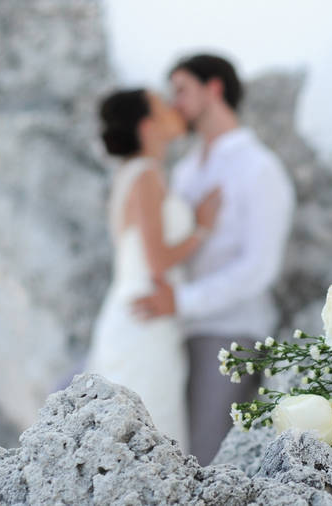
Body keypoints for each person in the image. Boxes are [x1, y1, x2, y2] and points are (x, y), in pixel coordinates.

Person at [132, 54, 296, 465]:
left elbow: (260, 267)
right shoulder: (187, 170)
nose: (175, 102)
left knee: (206, 457)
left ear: (215, 88)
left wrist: (184, 301)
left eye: (183, 89)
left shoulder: (259, 169)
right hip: (175, 329)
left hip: (230, 333)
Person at [86, 89, 222, 452]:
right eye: (164, 106)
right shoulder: (145, 175)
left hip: (145, 309)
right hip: (144, 314)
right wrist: (202, 229)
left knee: (150, 426)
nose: (174, 109)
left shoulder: (142, 174)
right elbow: (157, 259)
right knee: (153, 424)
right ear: (148, 126)